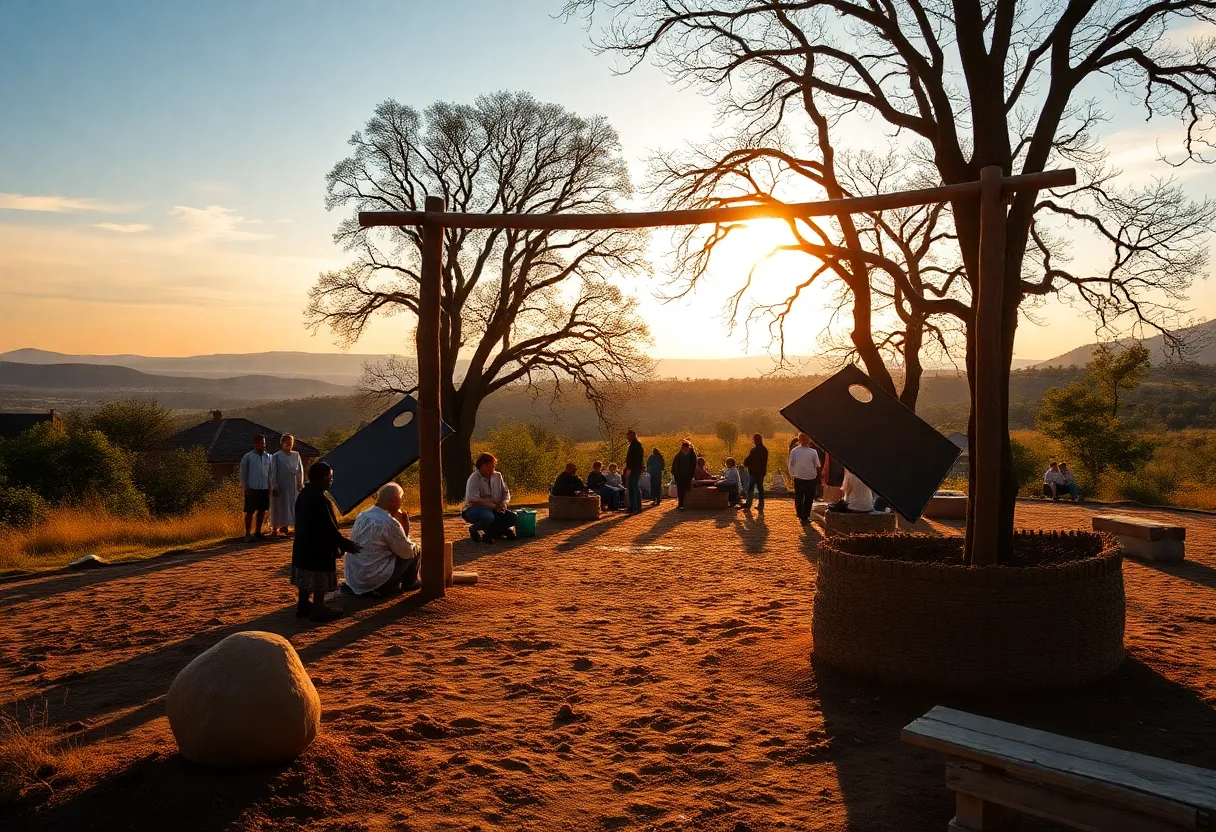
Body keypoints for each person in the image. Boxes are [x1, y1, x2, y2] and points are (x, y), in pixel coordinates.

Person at [291, 462, 361, 621]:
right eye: (330, 477)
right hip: (318, 548)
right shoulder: (319, 499)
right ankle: (318, 608)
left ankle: (303, 605)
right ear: (322, 478)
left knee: (304, 576)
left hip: (302, 545)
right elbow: (328, 528)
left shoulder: (304, 495)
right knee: (319, 578)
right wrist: (346, 545)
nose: (331, 480)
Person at [345, 483, 421, 596]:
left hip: (355, 578)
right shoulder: (389, 522)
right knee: (416, 549)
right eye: (401, 499)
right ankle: (410, 582)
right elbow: (406, 552)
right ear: (394, 501)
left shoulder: (363, 515)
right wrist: (405, 526)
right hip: (373, 578)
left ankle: (389, 584)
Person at [462, 453, 517, 544]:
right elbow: (472, 499)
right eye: (492, 466)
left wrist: (503, 503)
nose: (494, 469)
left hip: (495, 508)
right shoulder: (474, 478)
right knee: (488, 517)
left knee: (513, 518)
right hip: (474, 509)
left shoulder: (498, 476)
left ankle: (493, 533)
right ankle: (475, 528)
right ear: (484, 465)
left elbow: (505, 493)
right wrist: (491, 505)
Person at [268, 434, 305, 538]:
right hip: (281, 484)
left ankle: (288, 526)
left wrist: (300, 483)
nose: (289, 445)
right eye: (287, 442)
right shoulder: (276, 456)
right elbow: (272, 472)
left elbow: (300, 471)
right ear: (282, 443)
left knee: (292, 505)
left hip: (293, 485)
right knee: (279, 506)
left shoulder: (296, 455)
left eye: (291, 442)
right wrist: (274, 485)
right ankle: (275, 528)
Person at [240, 434, 272, 542]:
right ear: (255, 444)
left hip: (264, 488)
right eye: (259, 443)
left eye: (263, 443)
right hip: (252, 488)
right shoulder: (248, 457)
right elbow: (243, 473)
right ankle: (248, 534)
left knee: (262, 511)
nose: (261, 445)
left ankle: (258, 532)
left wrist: (271, 487)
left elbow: (270, 473)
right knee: (250, 511)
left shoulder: (268, 457)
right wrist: (245, 486)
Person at [787, 433, 822, 525]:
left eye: (806, 439)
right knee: (801, 497)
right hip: (801, 477)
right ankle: (802, 515)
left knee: (808, 498)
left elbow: (817, 464)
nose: (805, 441)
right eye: (803, 439)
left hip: (809, 477)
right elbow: (790, 464)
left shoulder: (812, 452)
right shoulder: (795, 451)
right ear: (799, 440)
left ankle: (805, 516)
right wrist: (793, 474)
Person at [742, 433, 768, 512]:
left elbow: (748, 460)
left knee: (751, 488)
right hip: (761, 472)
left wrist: (746, 463)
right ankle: (761, 505)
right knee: (760, 489)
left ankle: (748, 503)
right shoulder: (764, 450)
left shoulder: (754, 450)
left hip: (753, 472)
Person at [671, 439, 698, 509]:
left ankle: (686, 503)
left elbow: (693, 466)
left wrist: (692, 476)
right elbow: (674, 465)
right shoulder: (678, 455)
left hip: (688, 475)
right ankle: (681, 504)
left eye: (686, 449)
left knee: (686, 489)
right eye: (683, 449)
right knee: (680, 489)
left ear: (688, 448)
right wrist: (675, 473)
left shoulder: (692, 455)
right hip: (679, 475)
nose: (685, 450)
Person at [624, 429, 645, 513]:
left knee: (634, 487)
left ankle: (635, 506)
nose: (627, 437)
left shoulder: (635, 445)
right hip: (634, 468)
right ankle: (634, 506)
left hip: (634, 469)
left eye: (628, 435)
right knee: (632, 487)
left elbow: (635, 459)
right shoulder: (635, 444)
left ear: (632, 436)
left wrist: (630, 468)